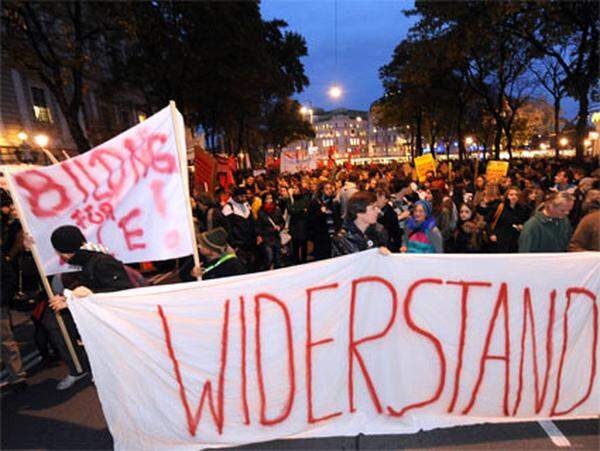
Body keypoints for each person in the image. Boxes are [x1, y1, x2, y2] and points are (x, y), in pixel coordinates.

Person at [46, 225, 139, 390]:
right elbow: (89, 284)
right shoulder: (90, 258)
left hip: (115, 322)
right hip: (106, 322)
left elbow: (121, 291)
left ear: (64, 252)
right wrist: (68, 296)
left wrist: (75, 298)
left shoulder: (101, 261)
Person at [332, 191, 386, 256]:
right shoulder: (342, 240)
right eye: (373, 208)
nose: (378, 211)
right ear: (359, 212)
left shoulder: (379, 232)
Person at [222, 187, 255, 271]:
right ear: (235, 196)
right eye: (242, 196)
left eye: (245, 196)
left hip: (249, 243)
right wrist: (233, 244)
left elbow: (252, 223)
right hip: (238, 244)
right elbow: (228, 228)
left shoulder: (246, 205)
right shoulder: (228, 208)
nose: (244, 198)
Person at [308, 182, 341, 260]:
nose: (329, 191)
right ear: (322, 190)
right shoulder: (315, 202)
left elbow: (336, 218)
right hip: (321, 235)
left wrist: (337, 229)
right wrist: (320, 212)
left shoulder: (333, 202)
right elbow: (311, 220)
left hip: (332, 234)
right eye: (327, 189)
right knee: (322, 257)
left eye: (330, 188)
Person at [255, 193, 285, 270]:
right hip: (266, 237)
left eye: (271, 198)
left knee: (277, 258)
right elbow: (258, 225)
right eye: (267, 198)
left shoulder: (277, 209)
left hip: (276, 236)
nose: (269, 200)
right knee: (269, 257)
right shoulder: (261, 211)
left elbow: (282, 222)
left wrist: (279, 227)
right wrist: (259, 235)